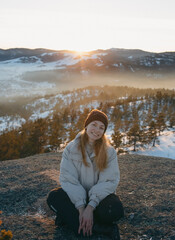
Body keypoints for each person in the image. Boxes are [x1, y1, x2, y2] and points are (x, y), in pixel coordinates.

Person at [47, 109, 124, 239]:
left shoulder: (109, 152)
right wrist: (81, 207)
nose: (97, 130)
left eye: (101, 127)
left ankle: (73, 221)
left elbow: (109, 181)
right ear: (86, 125)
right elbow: (68, 179)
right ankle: (94, 227)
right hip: (76, 198)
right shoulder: (71, 149)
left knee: (116, 209)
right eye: (94, 124)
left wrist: (91, 206)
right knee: (54, 197)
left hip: (99, 200)